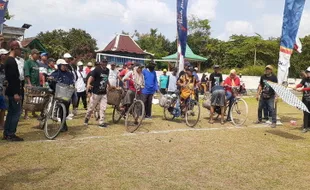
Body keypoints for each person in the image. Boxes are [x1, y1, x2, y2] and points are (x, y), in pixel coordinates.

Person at [3, 41, 24, 141]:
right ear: (15, 48)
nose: (21, 52)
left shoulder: (9, 60)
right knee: (16, 112)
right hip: (13, 91)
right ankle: (10, 133)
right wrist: (16, 93)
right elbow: (12, 79)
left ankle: (7, 133)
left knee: (11, 112)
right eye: (20, 49)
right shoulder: (11, 61)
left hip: (10, 91)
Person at [50, 59, 75, 132]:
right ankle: (62, 124)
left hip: (66, 94)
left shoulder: (69, 74)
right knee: (60, 109)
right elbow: (51, 82)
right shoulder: (55, 73)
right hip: (58, 94)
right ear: (59, 65)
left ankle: (63, 123)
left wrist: (72, 86)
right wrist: (51, 80)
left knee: (66, 111)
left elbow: (72, 82)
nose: (64, 66)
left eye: (65, 65)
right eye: (62, 65)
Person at [84, 59, 110, 128]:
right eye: (103, 62)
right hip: (96, 92)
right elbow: (91, 77)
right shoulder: (97, 69)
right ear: (101, 63)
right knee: (91, 107)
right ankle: (87, 118)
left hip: (103, 92)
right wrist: (88, 84)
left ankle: (101, 122)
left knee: (103, 108)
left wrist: (109, 86)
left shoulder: (107, 70)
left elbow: (106, 79)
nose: (104, 63)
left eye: (106, 62)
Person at [24, 49, 41, 119]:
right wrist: (29, 83)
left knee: (35, 98)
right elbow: (27, 73)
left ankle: (33, 112)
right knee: (28, 98)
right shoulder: (28, 62)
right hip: (30, 83)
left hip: (36, 84)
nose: (38, 55)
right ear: (33, 54)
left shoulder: (37, 63)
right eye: (36, 54)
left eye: (38, 54)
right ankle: (26, 114)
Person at [294, 67, 310, 133]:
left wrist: (302, 89)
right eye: (307, 72)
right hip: (305, 99)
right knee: (306, 113)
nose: (307, 73)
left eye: (308, 72)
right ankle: (305, 127)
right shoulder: (305, 79)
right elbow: (301, 84)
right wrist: (296, 87)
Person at [64, 53, 78, 117]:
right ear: (65, 58)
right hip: (67, 85)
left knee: (75, 98)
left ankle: (71, 111)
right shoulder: (64, 66)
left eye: (70, 59)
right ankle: (67, 113)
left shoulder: (71, 66)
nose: (70, 60)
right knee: (67, 99)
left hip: (72, 84)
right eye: (69, 58)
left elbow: (74, 75)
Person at [0, 49, 9, 130]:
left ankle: (2, 124)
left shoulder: (5, 65)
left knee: (3, 108)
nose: (6, 55)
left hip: (2, 90)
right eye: (4, 54)